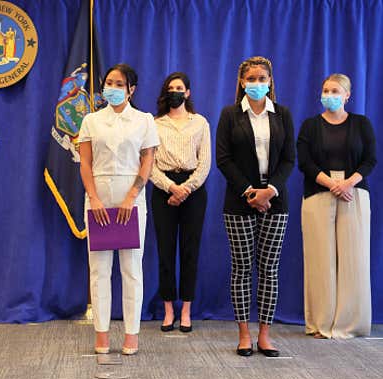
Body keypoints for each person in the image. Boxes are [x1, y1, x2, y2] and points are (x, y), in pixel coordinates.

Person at [216, 56, 295, 357]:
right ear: (242, 82)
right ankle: (244, 334)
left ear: (270, 81)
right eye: (252, 79)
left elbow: (289, 159)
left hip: (276, 200)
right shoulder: (230, 114)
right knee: (242, 268)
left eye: (263, 79)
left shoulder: (283, 115)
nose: (257, 84)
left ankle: (265, 334)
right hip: (239, 201)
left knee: (269, 270)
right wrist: (251, 192)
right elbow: (223, 159)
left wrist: (269, 191)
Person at [78, 63, 159, 355]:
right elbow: (85, 163)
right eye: (108, 83)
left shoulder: (144, 120)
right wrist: (94, 198)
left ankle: (131, 335)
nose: (111, 88)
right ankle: (101, 334)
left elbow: (147, 160)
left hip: (131, 197)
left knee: (131, 268)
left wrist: (132, 196)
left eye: (118, 84)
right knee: (99, 269)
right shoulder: (91, 120)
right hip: (98, 195)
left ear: (131, 90)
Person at [297, 73, 376, 339]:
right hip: (319, 193)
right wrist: (332, 184)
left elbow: (370, 160)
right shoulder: (309, 126)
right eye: (326, 90)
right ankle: (321, 324)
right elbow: (305, 163)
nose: (329, 95)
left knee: (353, 260)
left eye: (335, 91)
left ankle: (350, 324)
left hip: (354, 194)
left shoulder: (361, 124)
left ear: (347, 96)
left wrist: (349, 183)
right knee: (321, 261)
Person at [150, 72, 211, 333]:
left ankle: (186, 309)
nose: (175, 91)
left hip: (193, 190)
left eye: (180, 88)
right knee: (165, 251)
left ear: (187, 93)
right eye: (171, 88)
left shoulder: (200, 123)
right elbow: (149, 165)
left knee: (189, 250)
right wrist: (171, 187)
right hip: (164, 187)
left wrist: (186, 188)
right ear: (166, 93)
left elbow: (205, 162)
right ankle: (168, 310)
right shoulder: (154, 123)